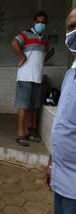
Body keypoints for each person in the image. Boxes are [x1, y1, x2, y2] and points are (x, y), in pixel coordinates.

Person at [45, 8, 76, 214]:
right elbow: (62, 125)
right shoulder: (69, 74)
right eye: (71, 27)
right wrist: (51, 163)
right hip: (61, 177)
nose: (74, 32)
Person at [12, 11, 54, 146]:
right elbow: (14, 43)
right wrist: (23, 57)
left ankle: (31, 132)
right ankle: (20, 134)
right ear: (34, 22)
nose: (40, 24)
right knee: (23, 106)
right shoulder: (25, 34)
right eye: (38, 22)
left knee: (34, 106)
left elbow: (51, 51)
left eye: (43, 22)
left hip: (37, 77)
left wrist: (42, 61)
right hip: (25, 76)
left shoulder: (45, 39)